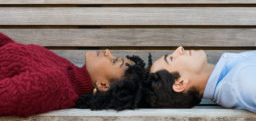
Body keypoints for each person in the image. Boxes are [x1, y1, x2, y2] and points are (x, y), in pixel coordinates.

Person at [0, 32, 149, 117]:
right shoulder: (66, 68)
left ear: (103, 85)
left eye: (114, 61)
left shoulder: (55, 85)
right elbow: (12, 51)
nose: (107, 52)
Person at [148, 46, 256, 118]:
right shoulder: (244, 82)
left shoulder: (232, 73)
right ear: (180, 83)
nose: (179, 49)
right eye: (172, 58)